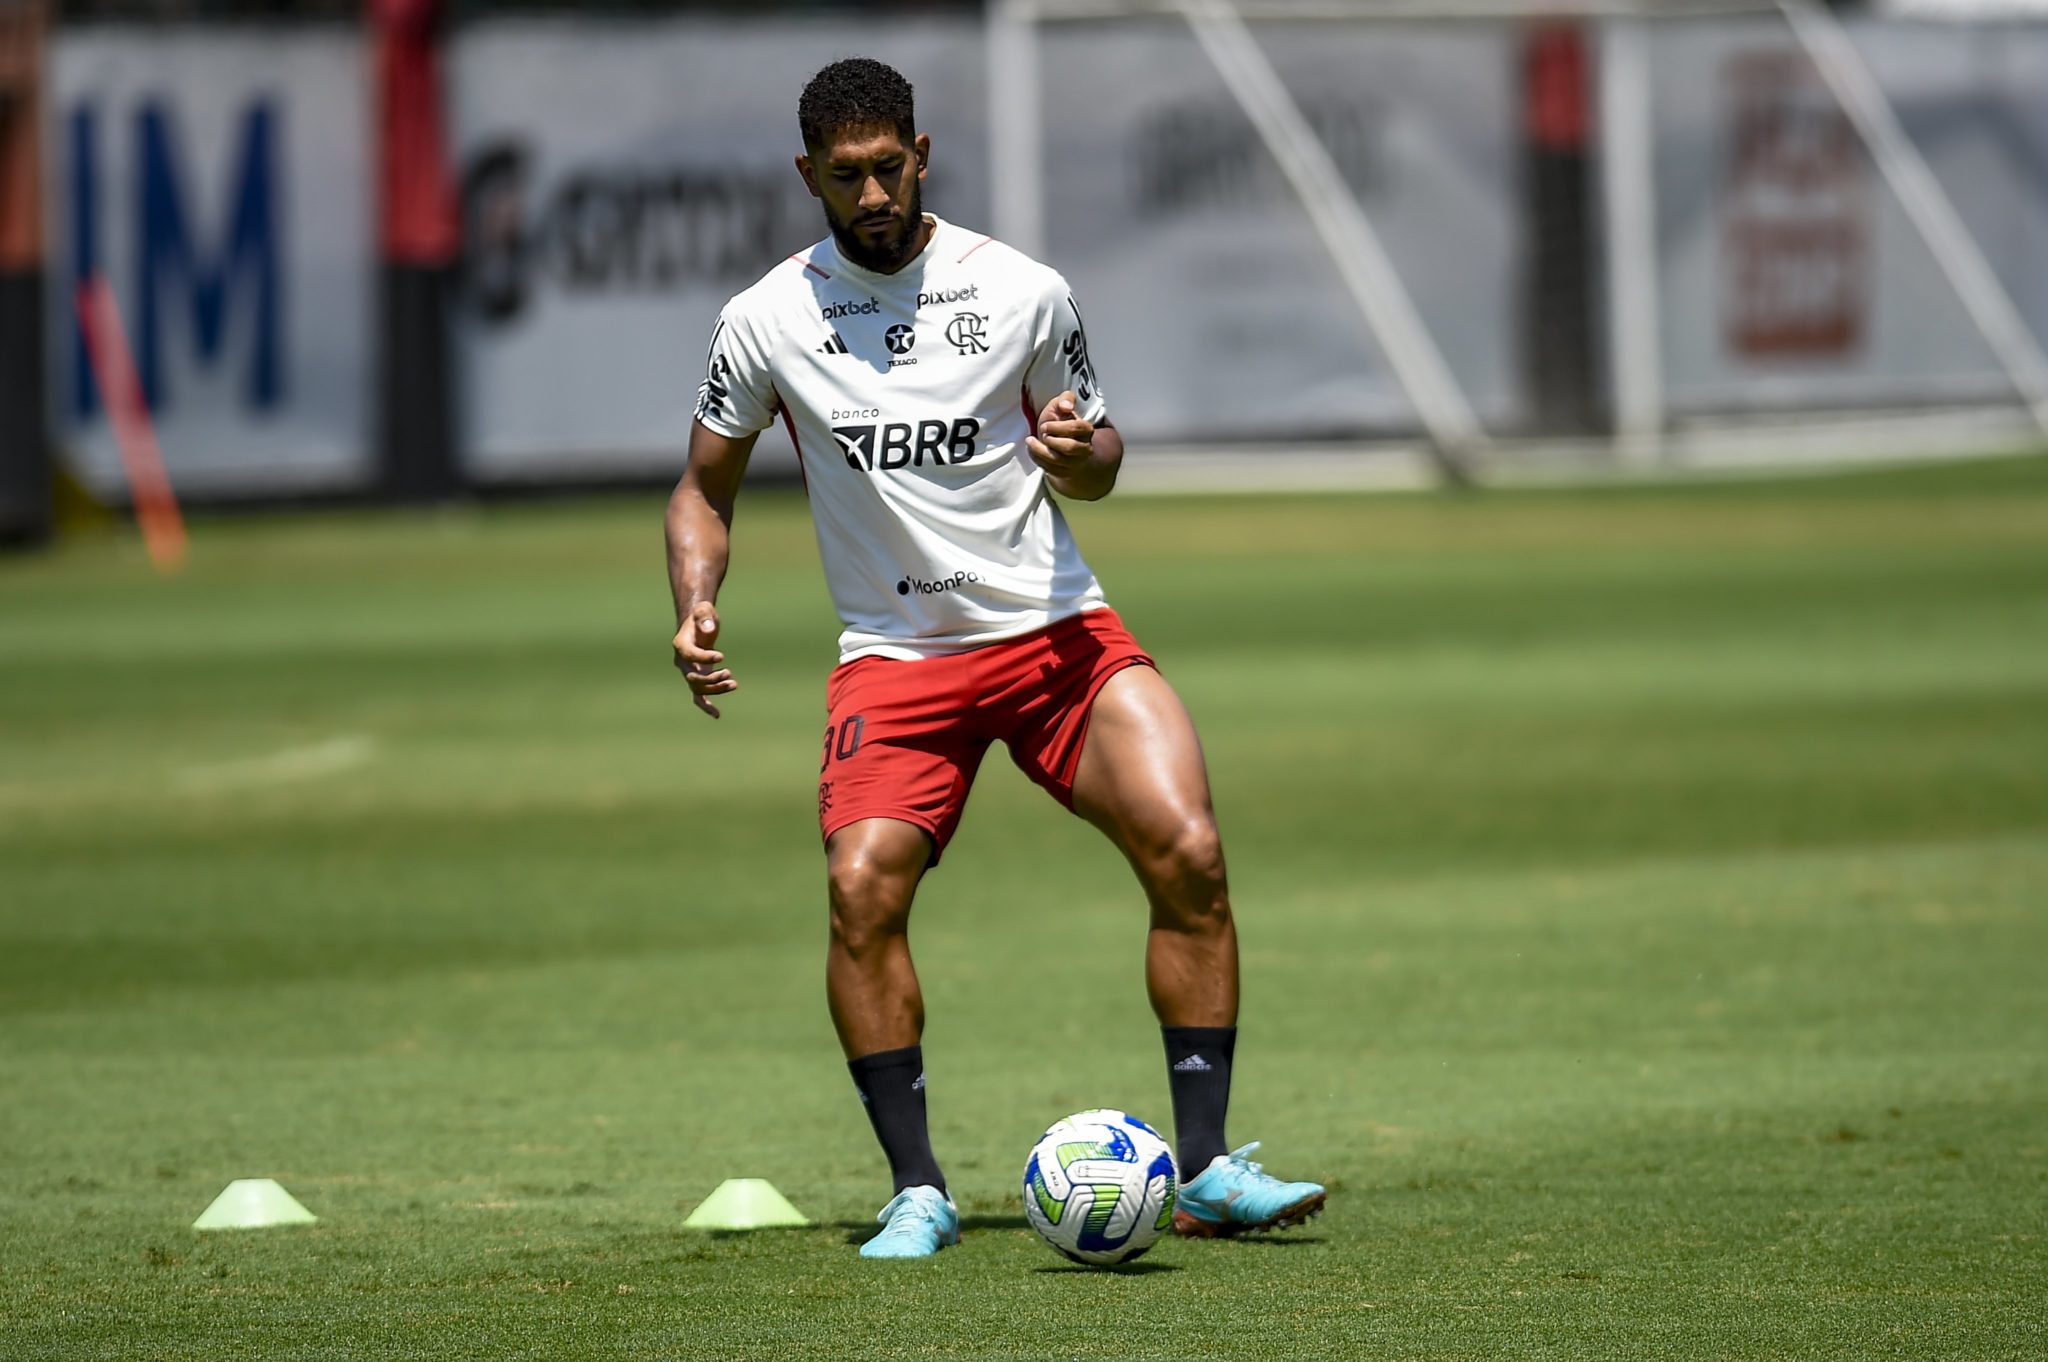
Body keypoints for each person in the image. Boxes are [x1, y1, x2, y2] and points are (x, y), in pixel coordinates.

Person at [665, 56, 1325, 1259]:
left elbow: (1097, 440)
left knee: (1189, 848)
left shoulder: (1019, 289)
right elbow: (702, 488)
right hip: (897, 661)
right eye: (844, 175)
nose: (870, 193)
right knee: (860, 889)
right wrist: (696, 601)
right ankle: (916, 1190)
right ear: (807, 175)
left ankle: (1210, 1166)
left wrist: (1085, 459)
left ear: (922, 155)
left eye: (887, 167)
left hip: (1056, 635)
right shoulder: (764, 318)